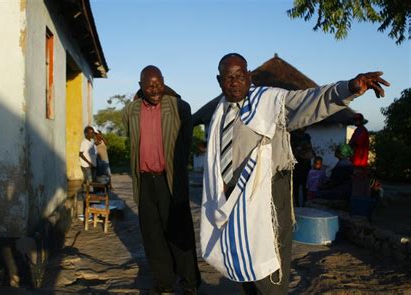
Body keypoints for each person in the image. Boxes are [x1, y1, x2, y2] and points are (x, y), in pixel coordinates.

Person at [200, 53, 389, 295]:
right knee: (242, 253)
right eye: (228, 78)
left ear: (248, 77)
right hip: (233, 197)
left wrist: (348, 88)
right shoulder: (221, 111)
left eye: (239, 76)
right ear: (219, 80)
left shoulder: (269, 103)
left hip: (267, 193)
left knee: (270, 255)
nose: (234, 82)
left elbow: (309, 100)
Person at [122, 66, 200, 294]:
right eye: (149, 85)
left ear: (165, 83)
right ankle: (164, 282)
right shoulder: (132, 111)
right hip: (145, 181)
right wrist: (139, 95)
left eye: (159, 84)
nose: (154, 89)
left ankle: (190, 283)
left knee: (180, 231)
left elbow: (185, 144)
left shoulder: (178, 107)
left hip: (171, 180)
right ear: (140, 87)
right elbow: (127, 122)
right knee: (152, 235)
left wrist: (166, 92)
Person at [291, 128, 315, 207]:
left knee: (302, 186)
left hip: (302, 165)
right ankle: (299, 204)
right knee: (298, 186)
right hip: (298, 165)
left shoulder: (306, 137)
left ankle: (301, 203)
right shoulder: (294, 136)